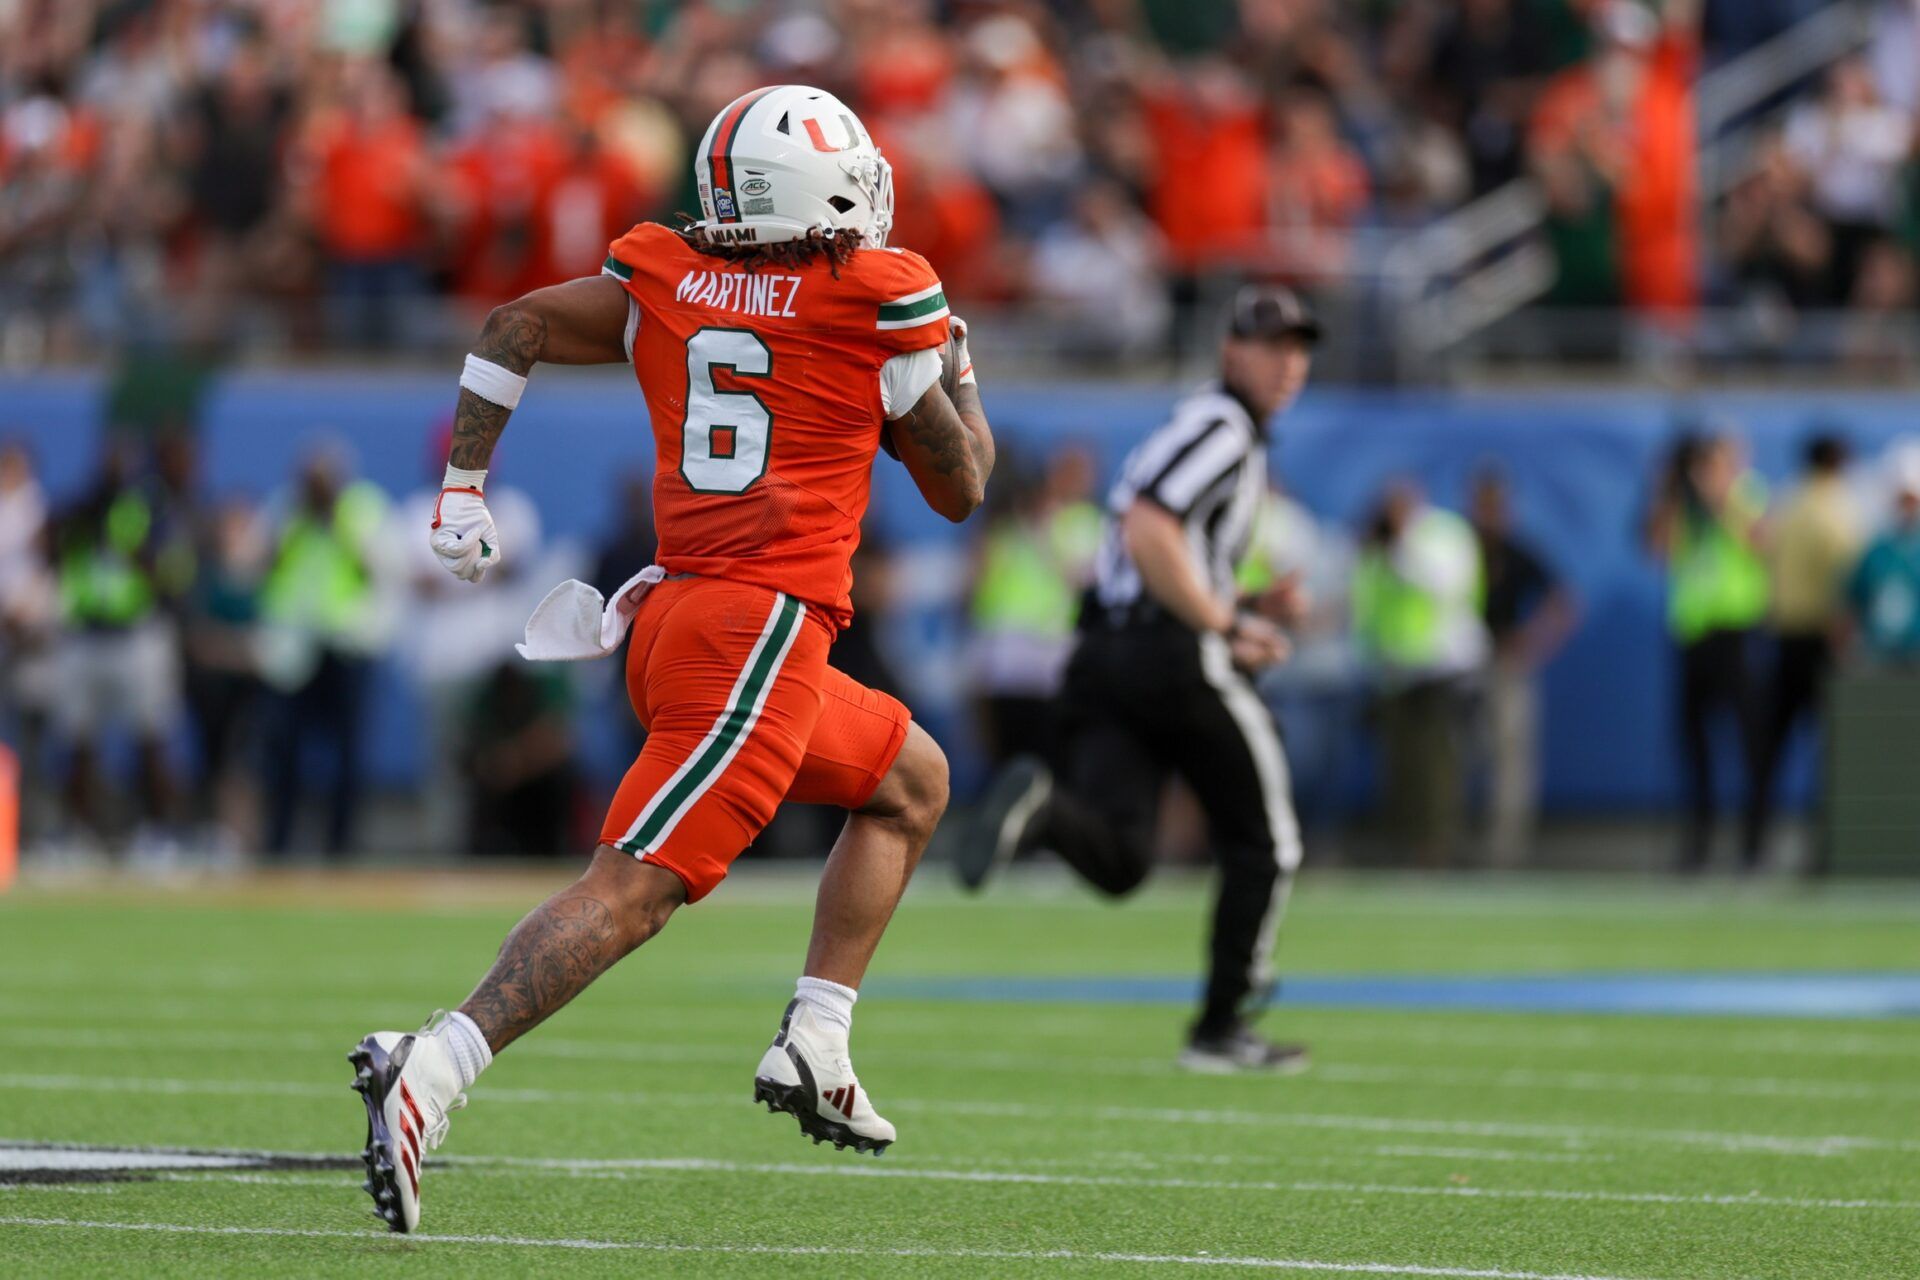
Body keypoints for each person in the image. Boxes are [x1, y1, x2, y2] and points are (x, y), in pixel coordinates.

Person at [347, 86, 995, 1234]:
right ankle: (434, 1065)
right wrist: (954, 376)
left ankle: (818, 1037)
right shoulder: (873, 299)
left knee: (912, 779)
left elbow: (513, 327)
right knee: (635, 889)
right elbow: (964, 486)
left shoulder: (669, 278)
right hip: (757, 632)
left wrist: (460, 487)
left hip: (675, 623)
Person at [961, 284, 1318, 1074]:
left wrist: (1243, 601)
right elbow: (1152, 527)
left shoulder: (1199, 425)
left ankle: (1045, 808)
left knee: (1122, 859)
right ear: (1232, 351)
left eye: (1299, 348)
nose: (1289, 364)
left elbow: (1146, 553)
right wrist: (1222, 623)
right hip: (1169, 657)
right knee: (1268, 842)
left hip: (1106, 658)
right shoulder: (1224, 430)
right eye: (1272, 346)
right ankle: (1223, 1028)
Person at [258, 446, 394, 858]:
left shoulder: (362, 508)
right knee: (284, 749)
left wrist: (335, 520)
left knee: (349, 751)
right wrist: (301, 520)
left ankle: (341, 844)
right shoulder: (286, 510)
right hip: (294, 648)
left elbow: (378, 568)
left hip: (346, 643)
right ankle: (279, 842)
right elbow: (262, 564)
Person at [1644, 430, 1770, 871]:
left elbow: (1762, 543)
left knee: (1750, 742)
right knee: (1694, 744)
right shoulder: (1683, 504)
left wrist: (1720, 498)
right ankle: (1698, 843)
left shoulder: (1746, 494)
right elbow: (1656, 548)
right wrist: (1667, 489)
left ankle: (1753, 845)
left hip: (1736, 631)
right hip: (1693, 633)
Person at [1353, 480, 1489, 869]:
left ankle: (1437, 848)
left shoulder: (1443, 533)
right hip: (1395, 672)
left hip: (1443, 668)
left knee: (1437, 765)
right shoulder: (1378, 542)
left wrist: (1401, 543)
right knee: (1399, 765)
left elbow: (1443, 585)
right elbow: (1367, 600)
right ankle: (1402, 846)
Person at [1751, 433, 1861, 864]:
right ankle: (1826, 850)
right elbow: (1844, 578)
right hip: (1820, 638)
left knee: (1770, 750)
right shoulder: (1835, 509)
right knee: (1831, 751)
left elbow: (1764, 556)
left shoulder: (1786, 503)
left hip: (1782, 636)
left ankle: (1754, 846)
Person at [1468, 468, 1576, 867]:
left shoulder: (1518, 552)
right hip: (1460, 662)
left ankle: (1503, 849)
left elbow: (1563, 604)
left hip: (1505, 660)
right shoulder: (1458, 546)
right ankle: (1455, 842)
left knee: (1511, 758)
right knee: (1463, 754)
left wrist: (1532, 642)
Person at [1849, 450, 1920, 666]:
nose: (1908, 508)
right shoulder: (1877, 550)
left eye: (1912, 501)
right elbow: (1854, 596)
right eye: (1902, 500)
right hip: (1881, 653)